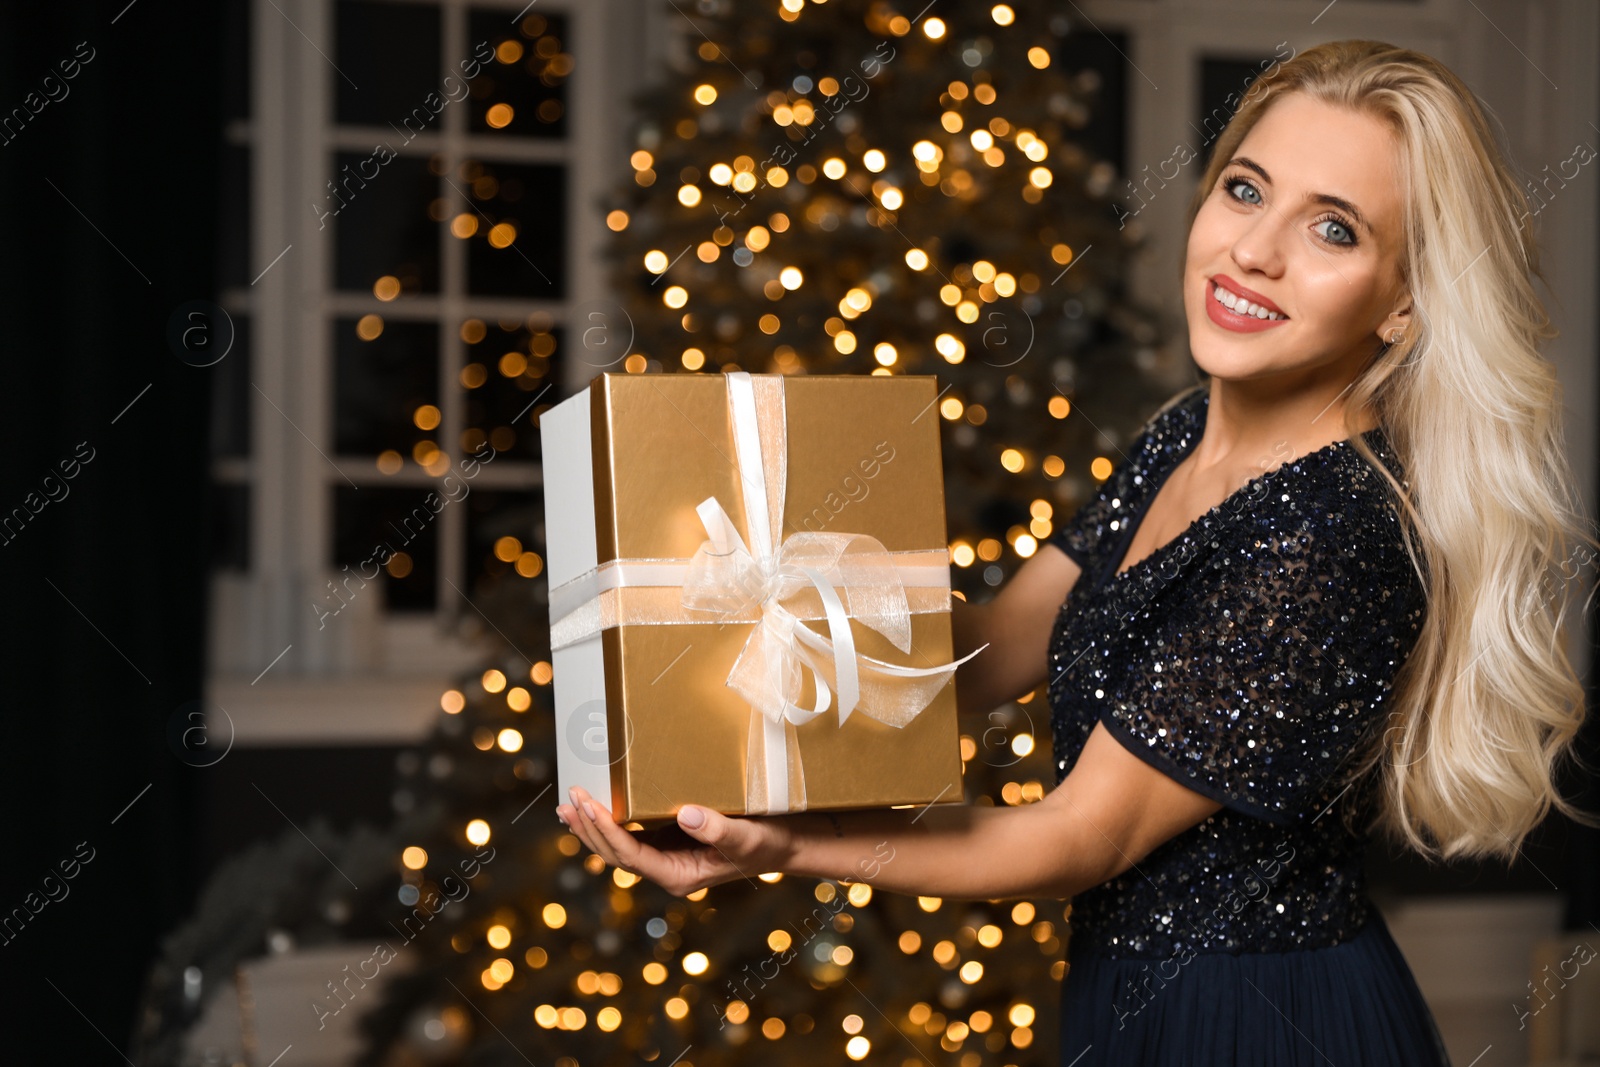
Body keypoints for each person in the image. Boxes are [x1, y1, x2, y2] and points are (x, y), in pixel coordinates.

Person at [555, 39, 1597, 1065]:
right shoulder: (1181, 435)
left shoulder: (1331, 535)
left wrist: (783, 845)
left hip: (1252, 1016)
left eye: (1332, 228)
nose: (1253, 251)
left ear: (1405, 303)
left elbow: (1075, 838)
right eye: (1244, 189)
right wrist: (753, 595)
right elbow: (989, 648)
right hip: (1120, 991)